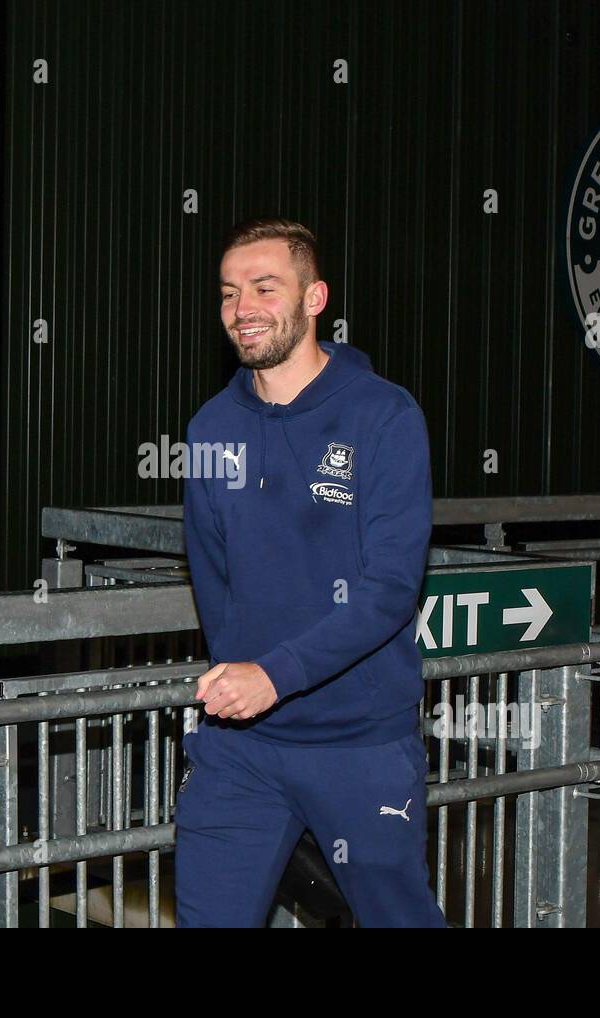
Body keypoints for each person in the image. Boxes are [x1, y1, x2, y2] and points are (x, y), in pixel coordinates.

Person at [174, 217, 444, 928]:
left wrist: (274, 675)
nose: (243, 308)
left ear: (315, 297)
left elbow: (390, 590)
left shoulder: (384, 416)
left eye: (266, 287)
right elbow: (211, 574)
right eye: (230, 292)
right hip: (241, 751)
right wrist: (237, 678)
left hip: (359, 746)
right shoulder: (208, 431)